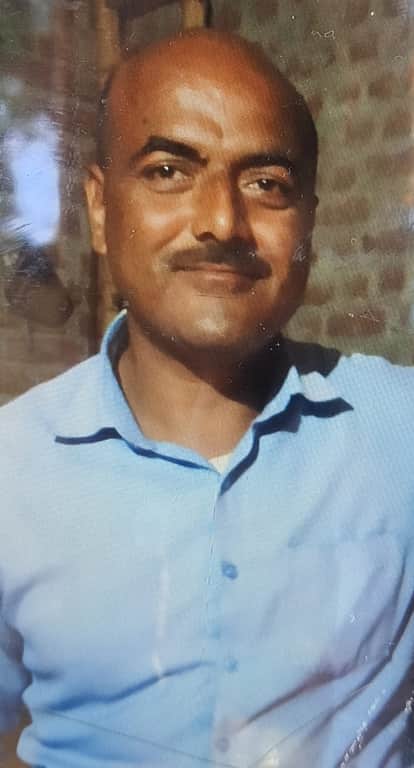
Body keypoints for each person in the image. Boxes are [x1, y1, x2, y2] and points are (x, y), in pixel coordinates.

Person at [0, 29, 413, 768]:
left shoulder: (398, 429)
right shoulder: (13, 467)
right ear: (99, 208)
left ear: (308, 221)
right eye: (168, 171)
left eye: (267, 184)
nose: (222, 220)